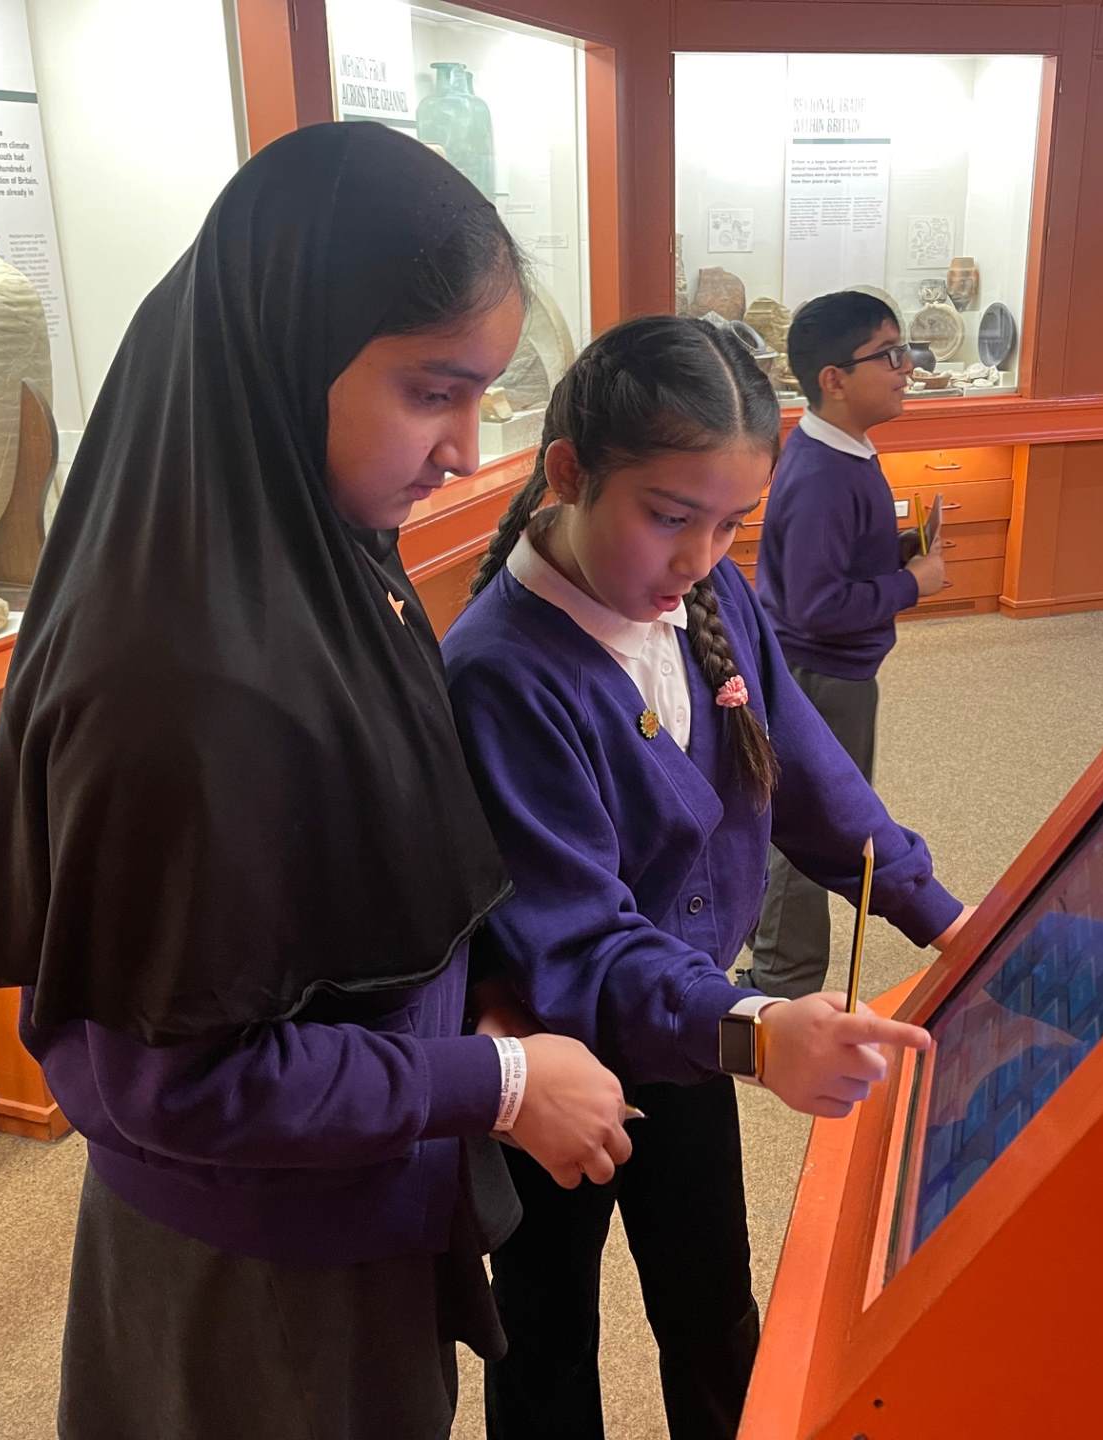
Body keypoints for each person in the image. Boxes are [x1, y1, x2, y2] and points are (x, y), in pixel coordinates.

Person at [0, 123, 633, 1440]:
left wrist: (481, 1011)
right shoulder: (175, 683)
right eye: (431, 392)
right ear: (289, 347)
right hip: (258, 1270)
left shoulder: (323, 552)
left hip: (354, 1193)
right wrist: (493, 1085)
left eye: (481, 398)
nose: (464, 450)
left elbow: (362, 891)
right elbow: (176, 1077)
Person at [441, 315, 973, 1439]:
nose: (698, 559)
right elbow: (579, 944)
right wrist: (759, 1033)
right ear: (568, 473)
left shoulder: (708, 597)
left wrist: (945, 916)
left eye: (731, 524)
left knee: (714, 1306)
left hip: (692, 1027)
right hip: (550, 1053)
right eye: (670, 517)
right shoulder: (500, 672)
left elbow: (817, 785)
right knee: (544, 1330)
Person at [740, 291, 948, 998]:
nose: (906, 368)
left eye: (904, 352)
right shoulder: (826, 474)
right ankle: (783, 984)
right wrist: (913, 582)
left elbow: (829, 570)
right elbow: (817, 606)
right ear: (833, 379)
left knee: (816, 817)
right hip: (822, 676)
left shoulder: (844, 454)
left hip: (831, 672)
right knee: (819, 829)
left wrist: (895, 552)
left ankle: (775, 963)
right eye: (888, 356)